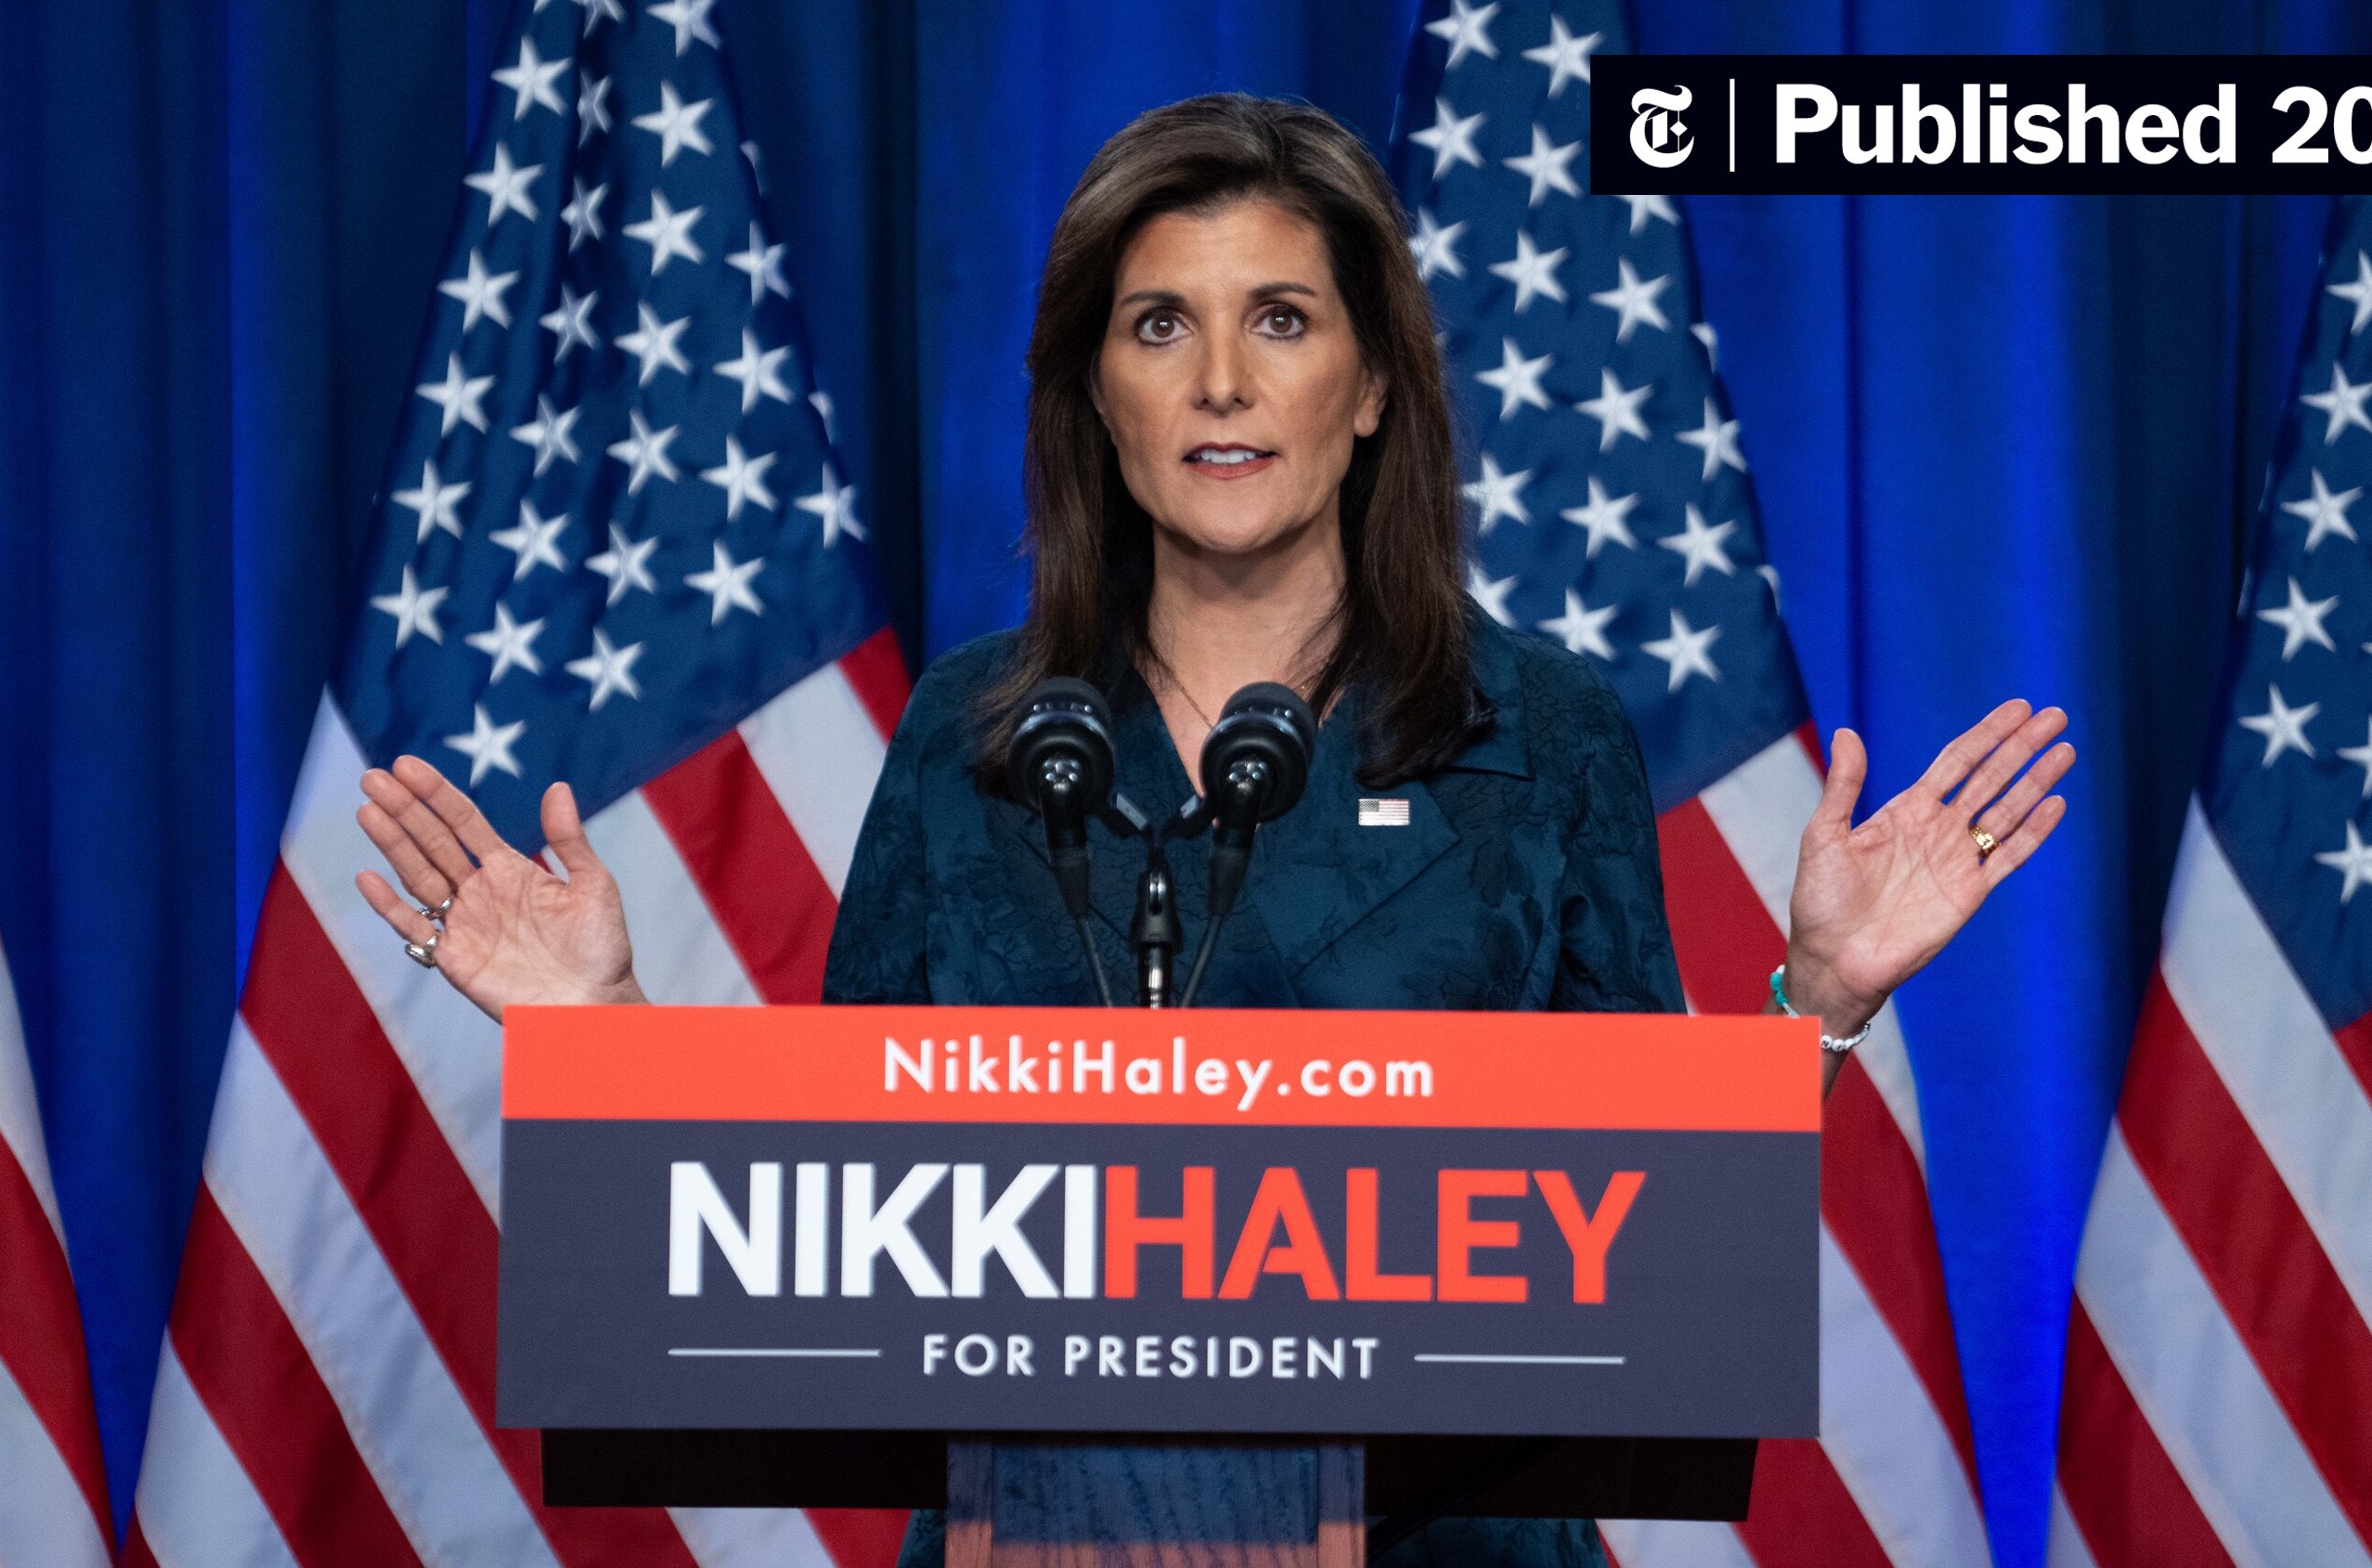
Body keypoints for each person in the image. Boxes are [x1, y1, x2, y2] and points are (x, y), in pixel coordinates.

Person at [347, 94, 2071, 1567]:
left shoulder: (1538, 735)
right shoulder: (971, 740)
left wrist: (1817, 999)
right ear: (1100, 397)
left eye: (1287, 320)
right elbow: (846, 1234)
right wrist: (606, 1040)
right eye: (1162, 325)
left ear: (1377, 387)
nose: (1226, 379)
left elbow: (1642, 1250)